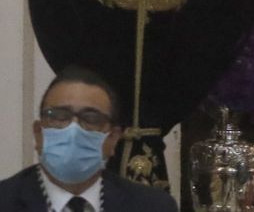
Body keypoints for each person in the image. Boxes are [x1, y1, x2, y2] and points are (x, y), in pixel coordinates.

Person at [0, 66, 176, 211]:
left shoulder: (153, 206)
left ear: (113, 139)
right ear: (39, 134)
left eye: (91, 119)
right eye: (60, 116)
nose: (73, 129)